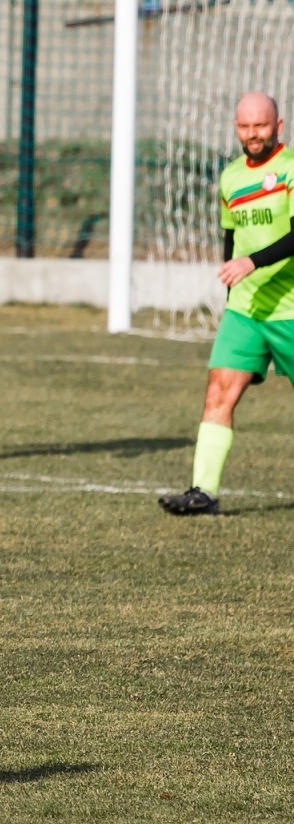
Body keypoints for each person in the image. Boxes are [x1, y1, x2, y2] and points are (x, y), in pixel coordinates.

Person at [160, 92, 294, 515]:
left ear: (278, 126)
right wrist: (232, 290)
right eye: (245, 127)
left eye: (261, 126)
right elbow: (231, 239)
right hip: (246, 310)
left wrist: (252, 262)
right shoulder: (231, 177)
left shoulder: (290, 170)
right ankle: (203, 492)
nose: (253, 134)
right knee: (219, 388)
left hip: (291, 308)